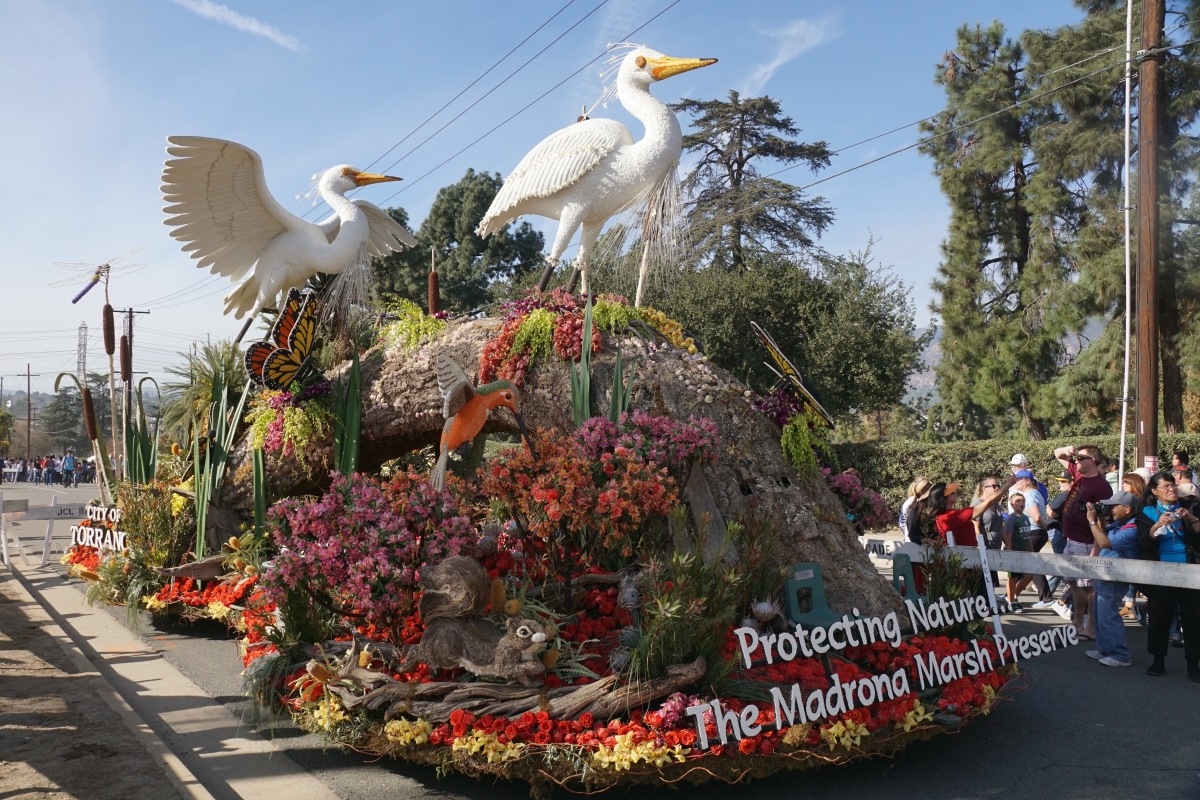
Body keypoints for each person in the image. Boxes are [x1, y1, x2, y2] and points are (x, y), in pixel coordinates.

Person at [1135, 472, 1200, 681]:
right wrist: (1157, 525)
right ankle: (1158, 661)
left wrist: (1192, 519)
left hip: (1189, 570)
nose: (1172, 489)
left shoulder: (1190, 505)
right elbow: (1144, 543)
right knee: (1159, 617)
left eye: (1173, 485)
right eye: (1166, 487)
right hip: (1160, 572)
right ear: (1154, 491)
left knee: (1193, 619)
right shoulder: (1146, 512)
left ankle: (1193, 664)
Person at [1053, 444, 1113, 639]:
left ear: (1092, 460)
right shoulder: (1078, 474)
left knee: (1090, 589)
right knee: (1074, 585)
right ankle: (1077, 623)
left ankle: (1092, 628)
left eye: (1081, 458)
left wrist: (1095, 552)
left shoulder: (1101, 486)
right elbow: (1057, 454)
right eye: (1076, 458)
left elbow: (1103, 522)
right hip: (1071, 539)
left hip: (1086, 542)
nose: (1076, 461)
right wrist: (1067, 449)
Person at [1086, 491, 1141, 667]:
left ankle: (1120, 655)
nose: (1110, 509)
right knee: (1099, 612)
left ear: (1127, 508)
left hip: (1116, 576)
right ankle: (1104, 649)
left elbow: (1104, 543)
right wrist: (1100, 519)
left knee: (1108, 614)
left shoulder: (1133, 528)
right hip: (1106, 572)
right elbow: (1102, 535)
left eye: (1113, 506)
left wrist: (1092, 521)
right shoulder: (1120, 523)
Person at [908, 476, 1016, 547]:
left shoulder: (948, 515)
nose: (954, 492)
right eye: (950, 493)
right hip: (965, 561)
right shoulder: (951, 517)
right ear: (943, 499)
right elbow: (987, 503)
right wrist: (1007, 485)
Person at [972, 477, 1005, 589]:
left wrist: (1008, 543)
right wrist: (980, 545)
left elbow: (1001, 525)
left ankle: (990, 600)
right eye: (993, 486)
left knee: (992, 574)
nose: (997, 488)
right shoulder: (978, 503)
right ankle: (983, 601)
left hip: (996, 544)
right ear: (984, 489)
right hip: (986, 544)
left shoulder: (996, 504)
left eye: (998, 486)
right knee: (984, 575)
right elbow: (975, 526)